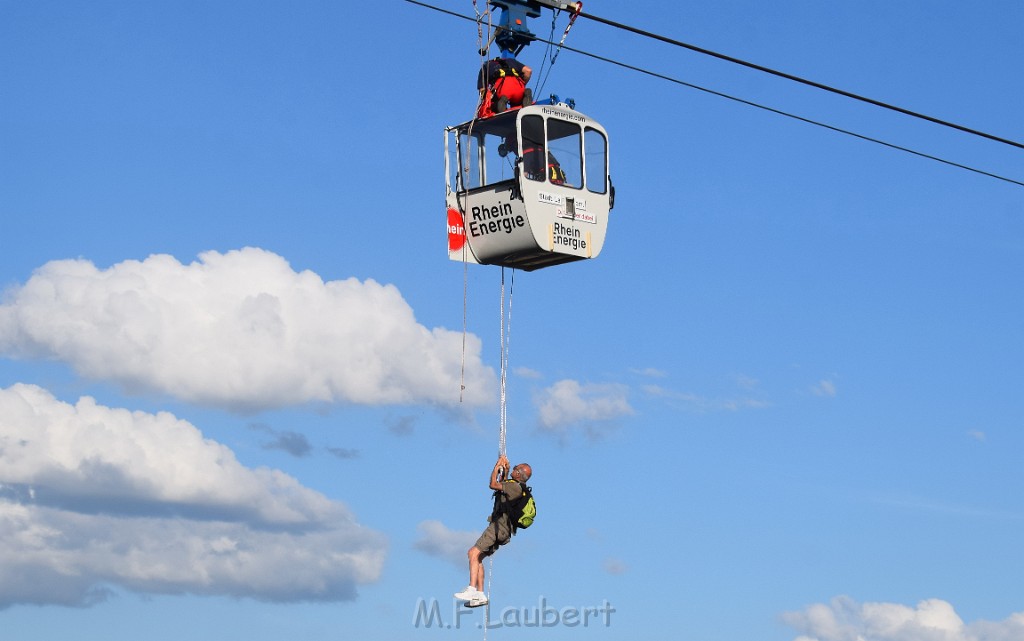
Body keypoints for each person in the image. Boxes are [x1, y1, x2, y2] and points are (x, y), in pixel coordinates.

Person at [454, 454, 533, 607]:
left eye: (515, 468)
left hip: (498, 527)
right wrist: (506, 469)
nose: (514, 469)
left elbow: (493, 484)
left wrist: (497, 467)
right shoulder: (516, 487)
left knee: (472, 553)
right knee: (478, 557)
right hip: (504, 530)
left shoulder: (514, 487)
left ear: (519, 474)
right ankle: (480, 594)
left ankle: (471, 588)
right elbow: (502, 484)